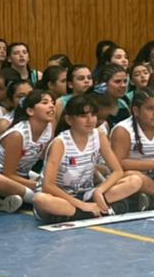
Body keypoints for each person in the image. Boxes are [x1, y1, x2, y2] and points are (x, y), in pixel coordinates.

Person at [32, 95, 148, 223]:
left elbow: (117, 171)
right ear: (69, 120)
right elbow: (48, 186)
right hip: (61, 197)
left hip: (86, 194)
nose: (90, 120)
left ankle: (80, 213)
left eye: (93, 115)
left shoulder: (99, 135)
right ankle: (94, 211)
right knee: (40, 200)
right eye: (83, 116)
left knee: (135, 180)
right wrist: (81, 205)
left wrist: (99, 191)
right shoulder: (60, 143)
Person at [0, 89, 55, 213]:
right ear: (30, 111)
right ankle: (41, 200)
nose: (51, 105)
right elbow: (8, 175)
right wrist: (39, 185)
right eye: (45, 102)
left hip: (22, 176)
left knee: (53, 180)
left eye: (52, 102)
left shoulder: (48, 128)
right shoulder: (17, 135)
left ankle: (12, 200)